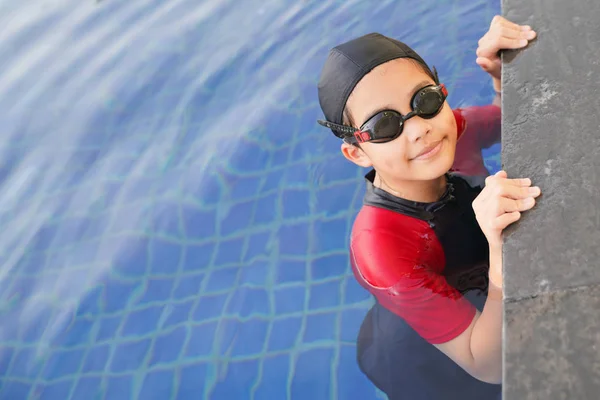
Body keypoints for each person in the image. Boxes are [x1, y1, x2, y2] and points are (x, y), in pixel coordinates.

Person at [315, 16, 541, 400]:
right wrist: (500, 253)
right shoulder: (380, 248)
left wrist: (502, 77)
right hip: (430, 360)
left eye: (424, 100)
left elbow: (516, 121)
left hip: (469, 291)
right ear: (356, 152)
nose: (418, 127)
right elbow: (487, 366)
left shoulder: (449, 130)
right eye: (385, 125)